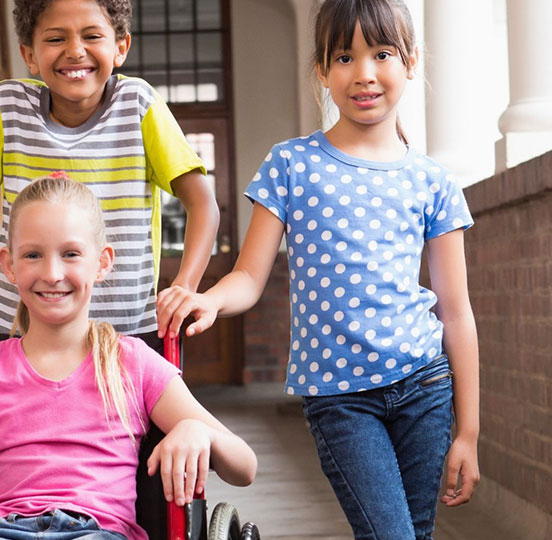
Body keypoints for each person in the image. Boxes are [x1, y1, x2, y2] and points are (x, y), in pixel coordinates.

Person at [156, 0, 480, 538]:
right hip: (340, 399)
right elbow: (249, 277)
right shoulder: (291, 164)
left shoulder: (434, 183)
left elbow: (457, 312)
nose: (364, 73)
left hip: (426, 387)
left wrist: (468, 432)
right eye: (345, 57)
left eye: (382, 54)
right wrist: (209, 298)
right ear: (323, 71)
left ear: (411, 62)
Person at [0, 176, 256, 540]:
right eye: (33, 255)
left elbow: (245, 467)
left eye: (70, 254)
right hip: (1, 532)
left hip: (96, 531)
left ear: (102, 262)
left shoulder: (131, 363)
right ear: (9, 265)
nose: (52, 274)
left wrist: (198, 432)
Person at [0, 0, 219, 336]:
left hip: (124, 337)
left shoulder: (138, 105)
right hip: (25, 338)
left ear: (121, 48)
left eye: (91, 36)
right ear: (29, 55)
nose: (75, 51)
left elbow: (202, 203)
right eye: (55, 39)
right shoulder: (6, 107)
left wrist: (185, 285)